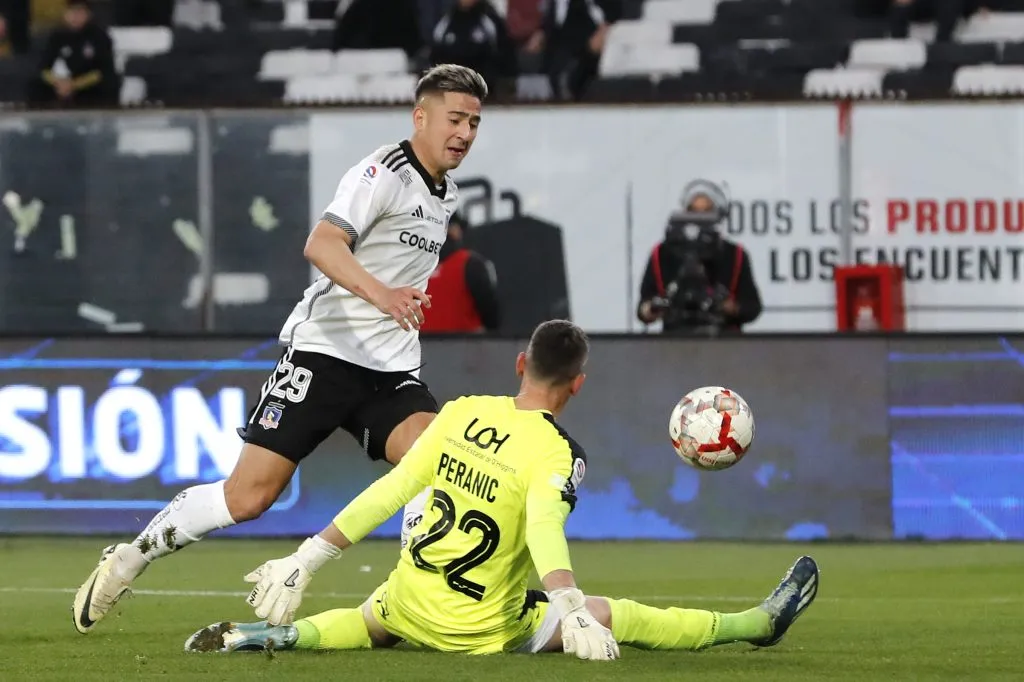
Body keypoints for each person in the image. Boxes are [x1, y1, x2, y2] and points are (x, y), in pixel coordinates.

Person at [72, 63, 489, 634]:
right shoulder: (381, 172)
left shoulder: (446, 193)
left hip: (389, 369)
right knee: (247, 498)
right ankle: (129, 556)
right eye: (455, 118)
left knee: (436, 464)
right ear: (421, 116)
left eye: (474, 122)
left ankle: (412, 604)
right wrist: (383, 295)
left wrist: (396, 307)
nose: (465, 132)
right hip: (323, 356)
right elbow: (321, 244)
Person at [184, 320, 820, 660]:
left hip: (409, 606)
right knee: (617, 615)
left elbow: (395, 486)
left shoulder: (459, 412)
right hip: (486, 630)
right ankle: (756, 623)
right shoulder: (559, 452)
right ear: (579, 385)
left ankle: (277, 635)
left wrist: (308, 556)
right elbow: (544, 523)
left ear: (520, 364)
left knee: (376, 618)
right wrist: (570, 603)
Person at [637, 180, 762, 335]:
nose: (699, 218)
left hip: (725, 345)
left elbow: (752, 308)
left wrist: (726, 307)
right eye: (693, 211)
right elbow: (643, 310)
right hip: (673, 344)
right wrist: (655, 307)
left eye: (707, 211)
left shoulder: (735, 254)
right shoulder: (662, 253)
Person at [419, 211, 501, 334]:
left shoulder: (410, 268)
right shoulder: (470, 264)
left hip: (422, 351)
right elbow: (493, 319)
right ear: (453, 229)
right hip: (466, 350)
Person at [28, 0, 118, 107]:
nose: (75, 17)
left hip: (90, 85)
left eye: (79, 12)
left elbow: (103, 71)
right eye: (71, 12)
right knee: (34, 84)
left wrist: (74, 85)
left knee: (109, 84)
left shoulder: (99, 36)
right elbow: (42, 68)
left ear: (88, 14)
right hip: (65, 84)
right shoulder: (57, 36)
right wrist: (59, 83)